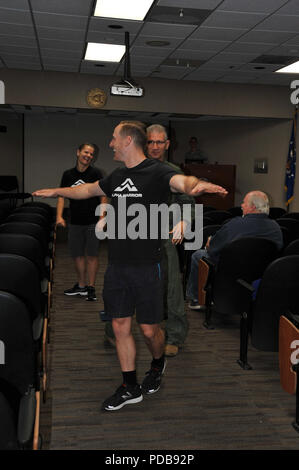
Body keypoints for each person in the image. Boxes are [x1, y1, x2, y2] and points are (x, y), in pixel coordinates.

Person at [33, 120, 227, 412]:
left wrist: (196, 184)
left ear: (127, 141)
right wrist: (55, 191)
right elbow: (86, 190)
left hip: (148, 267)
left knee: (149, 331)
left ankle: (157, 365)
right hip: (117, 267)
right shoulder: (117, 176)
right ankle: (129, 386)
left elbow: (181, 183)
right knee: (120, 324)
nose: (110, 143)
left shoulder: (159, 171)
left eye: (113, 139)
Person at [187, 190, 283, 309]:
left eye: (244, 202)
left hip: (229, 270)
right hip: (259, 271)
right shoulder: (275, 227)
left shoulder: (235, 225)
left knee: (198, 255)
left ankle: (196, 299)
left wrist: (208, 243)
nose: (241, 205)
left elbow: (213, 249)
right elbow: (278, 248)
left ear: (252, 207)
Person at [56, 142, 107, 301]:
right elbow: (61, 196)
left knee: (92, 256)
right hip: (75, 222)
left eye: (91, 154)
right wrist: (59, 216)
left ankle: (91, 288)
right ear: (78, 152)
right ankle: (81, 285)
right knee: (77, 255)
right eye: (86, 152)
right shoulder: (68, 175)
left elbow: (103, 196)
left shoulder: (96, 174)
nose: (88, 156)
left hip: (92, 222)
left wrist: (102, 218)